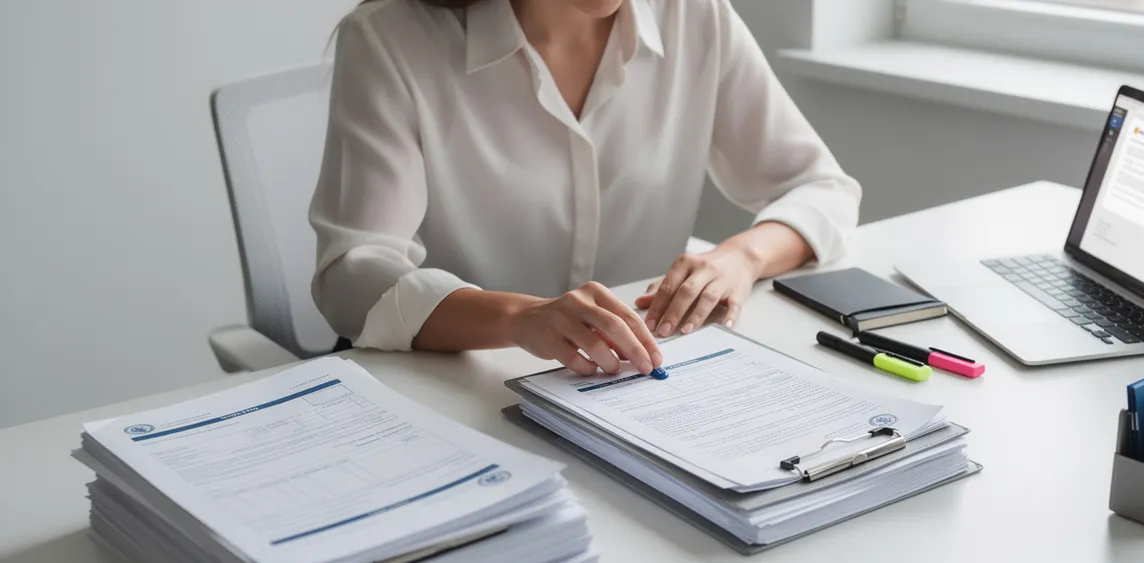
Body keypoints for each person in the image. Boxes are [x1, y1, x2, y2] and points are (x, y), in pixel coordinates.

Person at [310, 0, 860, 376]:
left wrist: (741, 258)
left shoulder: (694, 15)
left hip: (633, 386)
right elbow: (353, 274)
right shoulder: (388, 39)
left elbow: (822, 187)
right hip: (457, 386)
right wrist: (520, 318)